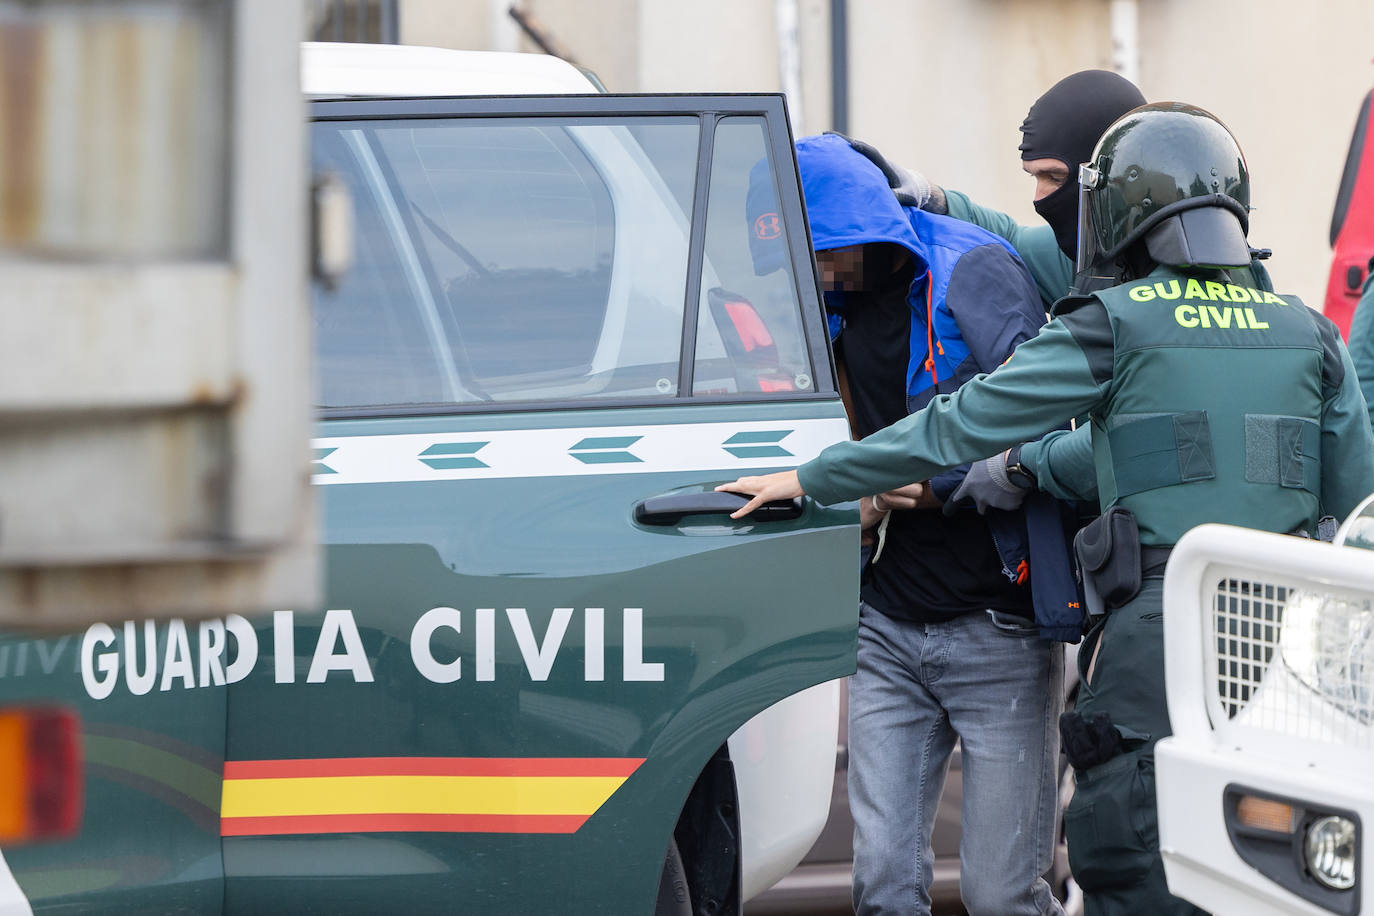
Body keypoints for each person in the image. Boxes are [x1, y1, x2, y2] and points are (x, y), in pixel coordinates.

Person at [721, 103, 1374, 916]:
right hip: (1288, 646)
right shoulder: (1309, 333)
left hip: (1157, 640)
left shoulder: (1116, 323)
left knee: (1136, 852)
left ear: (1118, 213)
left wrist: (820, 474)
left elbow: (961, 423)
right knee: (1281, 862)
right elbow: (1357, 512)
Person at [751, 133, 1074, 915]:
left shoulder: (974, 269)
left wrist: (938, 488)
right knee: (882, 886)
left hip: (995, 626)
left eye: (827, 253)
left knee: (1003, 896)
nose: (819, 272)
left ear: (865, 224)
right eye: (806, 257)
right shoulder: (831, 308)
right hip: (886, 627)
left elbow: (1046, 420)